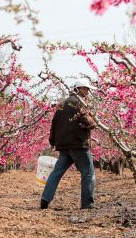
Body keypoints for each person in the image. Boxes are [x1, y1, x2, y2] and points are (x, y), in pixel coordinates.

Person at [40, 78, 97, 210]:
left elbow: (54, 124)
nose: (88, 92)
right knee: (88, 173)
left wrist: (53, 142)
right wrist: (93, 123)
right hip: (78, 145)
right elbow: (88, 122)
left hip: (64, 146)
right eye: (87, 89)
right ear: (80, 89)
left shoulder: (62, 104)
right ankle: (87, 204)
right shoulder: (79, 103)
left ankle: (45, 199)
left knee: (56, 173)